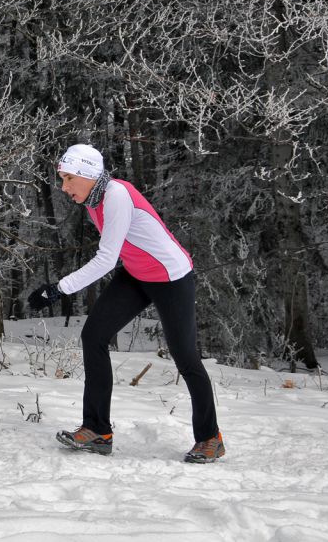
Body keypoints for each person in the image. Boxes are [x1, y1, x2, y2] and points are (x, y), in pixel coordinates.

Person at [28, 143, 224, 463]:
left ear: (87, 174)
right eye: (61, 180)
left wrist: (58, 289)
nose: (64, 187)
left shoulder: (116, 194)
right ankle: (97, 430)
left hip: (171, 276)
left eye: (68, 179)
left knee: (185, 357)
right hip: (137, 273)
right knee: (94, 336)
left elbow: (106, 258)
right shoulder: (93, 198)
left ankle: (210, 437)